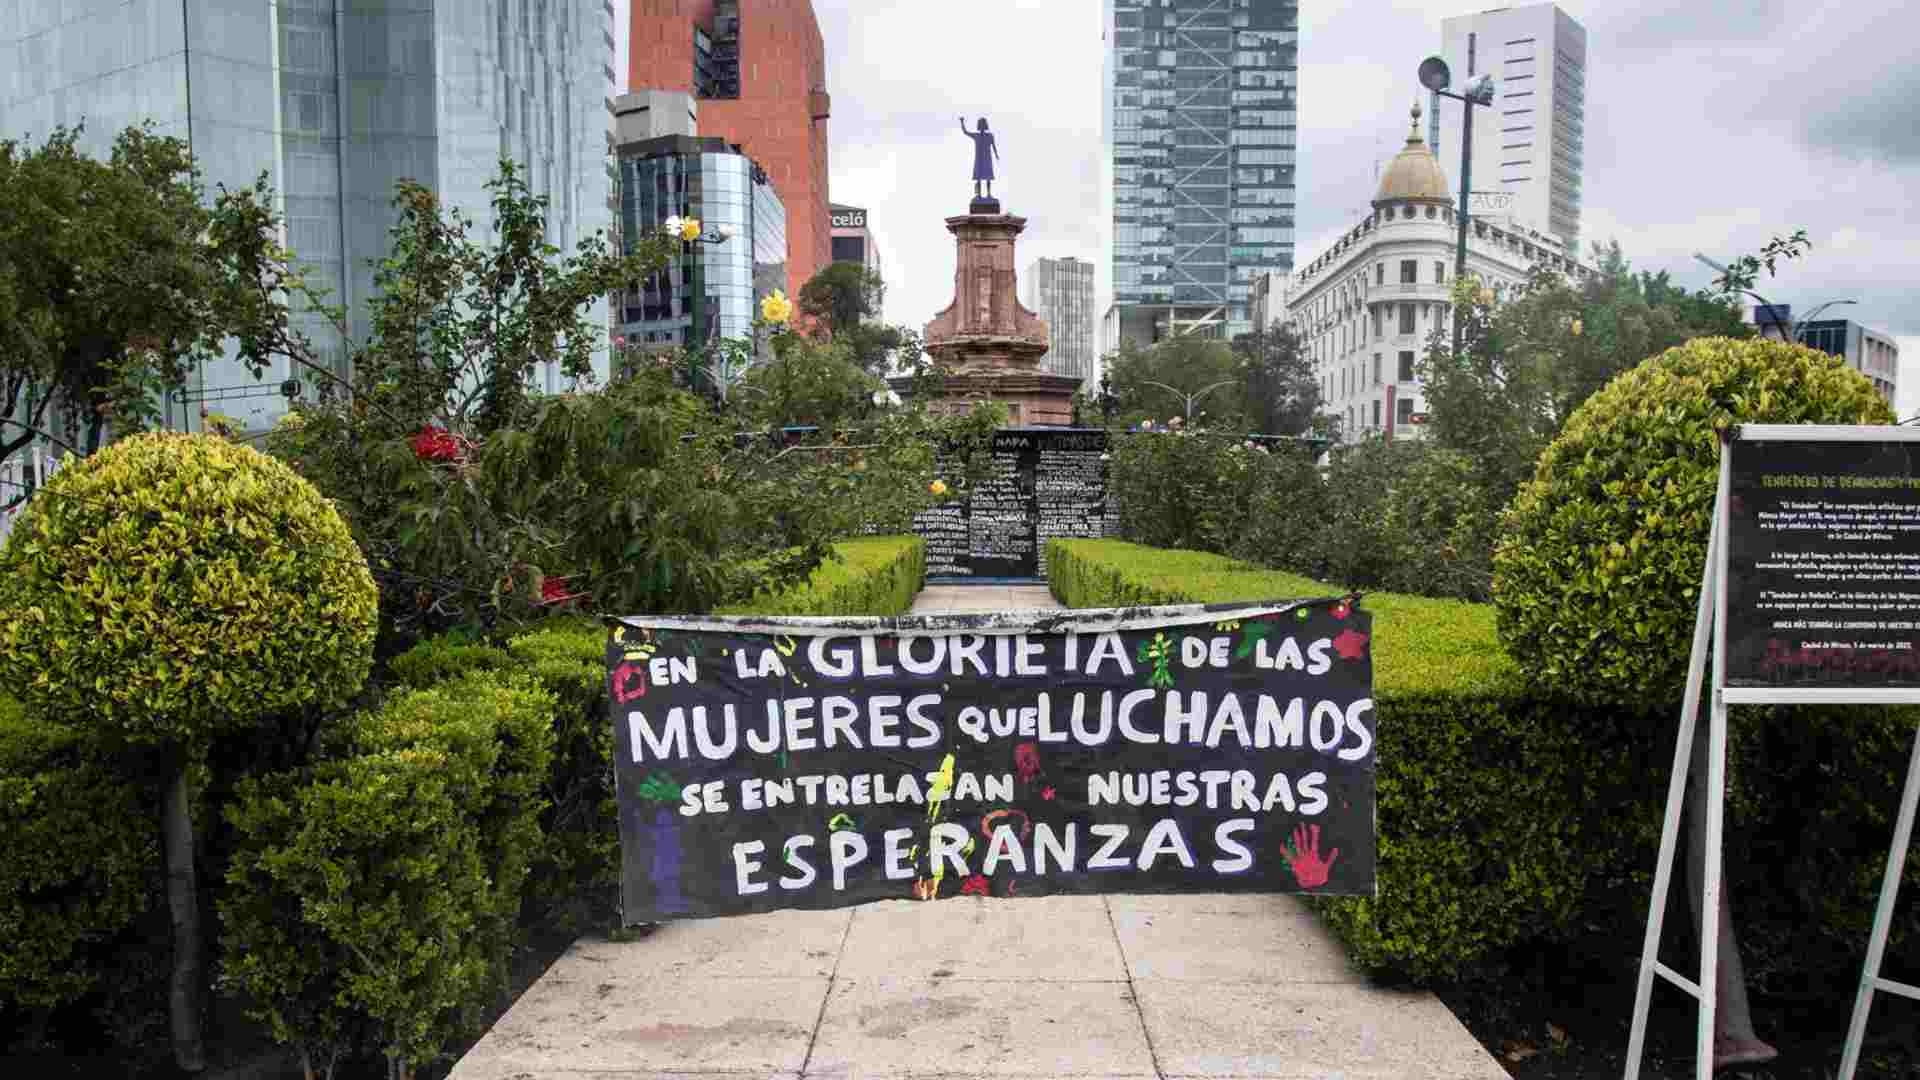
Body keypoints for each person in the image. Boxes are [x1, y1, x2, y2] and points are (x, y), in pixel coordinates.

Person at [961, 116, 999, 199]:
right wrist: (962, 122)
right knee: (978, 177)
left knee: (988, 177)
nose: (981, 126)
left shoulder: (990, 135)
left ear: (985, 125)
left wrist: (996, 154)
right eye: (980, 124)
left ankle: (989, 194)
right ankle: (979, 195)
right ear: (978, 126)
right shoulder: (976, 136)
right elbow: (965, 132)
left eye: (983, 124)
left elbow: (993, 145)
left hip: (987, 159)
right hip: (979, 159)